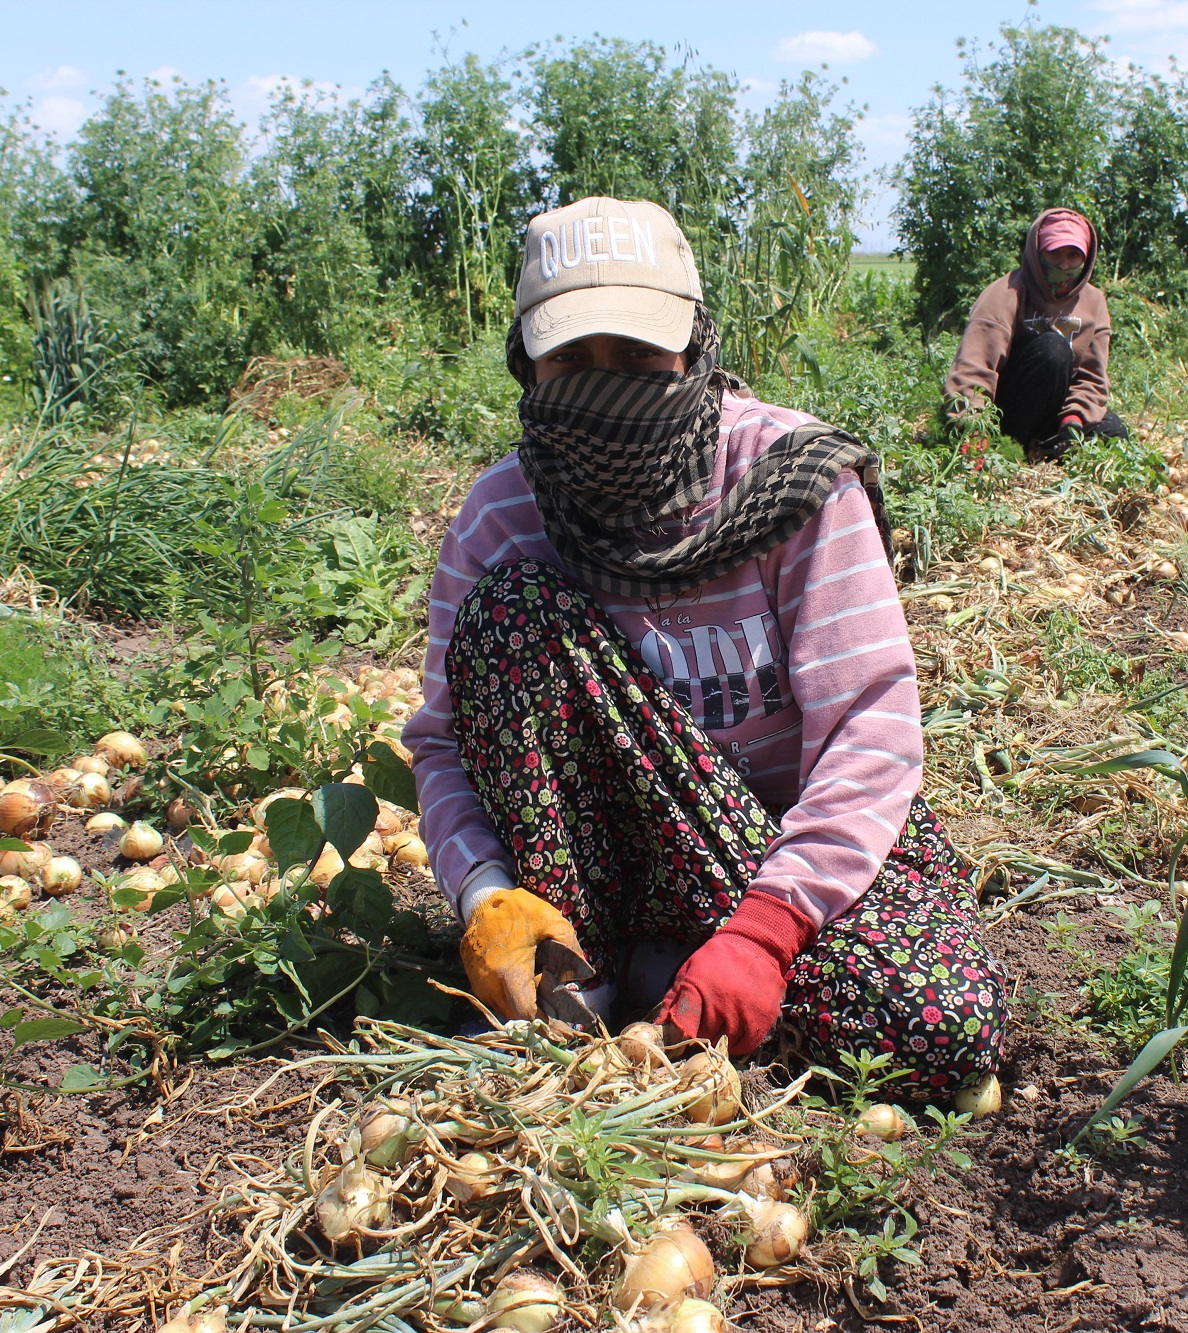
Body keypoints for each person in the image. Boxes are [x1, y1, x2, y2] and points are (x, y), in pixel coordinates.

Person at [400, 196, 1005, 1098]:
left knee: (944, 1020)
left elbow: (870, 729)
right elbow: (442, 744)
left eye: (638, 356)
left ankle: (681, 965)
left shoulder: (789, 482)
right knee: (512, 614)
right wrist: (484, 891)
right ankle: (597, 971)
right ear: (527, 365)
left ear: (696, 346)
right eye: (572, 360)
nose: (605, 387)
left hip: (780, 844)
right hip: (606, 861)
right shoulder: (505, 516)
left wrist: (767, 928)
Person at [945, 207, 1128, 461]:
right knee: (1053, 350)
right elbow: (974, 367)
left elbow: (1092, 376)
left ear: (1086, 259)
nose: (1064, 265)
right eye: (1054, 254)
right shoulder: (1005, 293)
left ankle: (1043, 447)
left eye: (1074, 255)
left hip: (1056, 409)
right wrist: (973, 425)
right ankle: (1010, 448)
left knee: (1114, 433)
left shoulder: (1094, 301)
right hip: (1007, 409)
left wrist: (1074, 419)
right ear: (1037, 252)